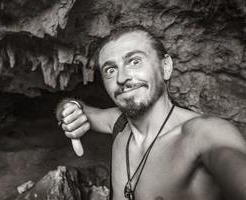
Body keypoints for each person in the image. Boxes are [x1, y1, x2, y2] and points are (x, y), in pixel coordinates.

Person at [56, 26, 246, 200]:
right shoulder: (119, 123)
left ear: (165, 68)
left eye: (135, 61)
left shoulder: (202, 134)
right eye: (111, 70)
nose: (121, 78)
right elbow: (79, 109)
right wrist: (69, 108)